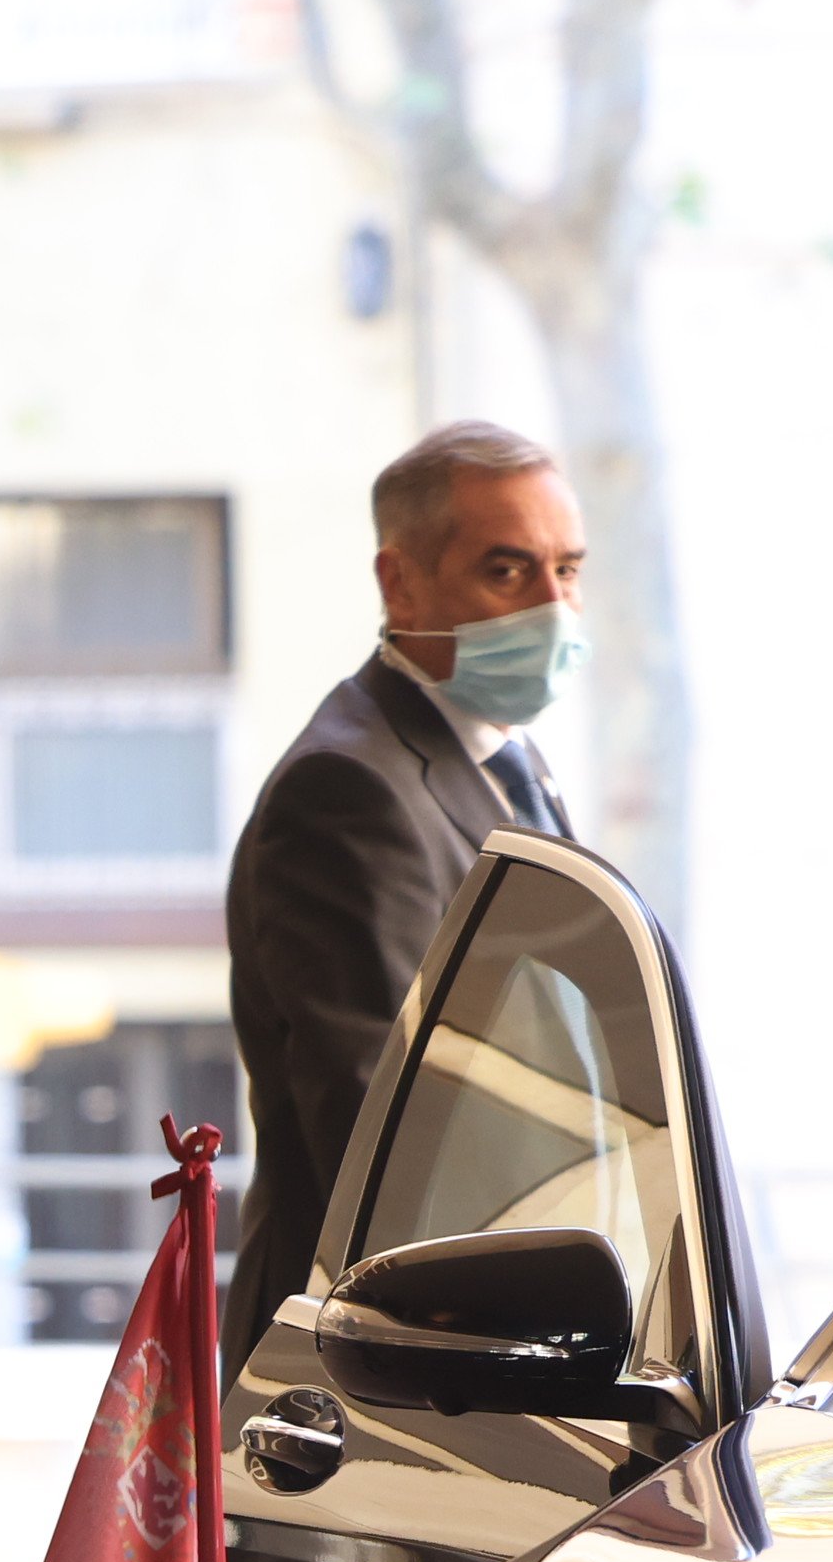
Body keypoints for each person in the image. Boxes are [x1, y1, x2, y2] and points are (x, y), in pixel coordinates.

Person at [224, 420, 592, 1353]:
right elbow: (387, 1132)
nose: (552, 606)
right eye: (508, 571)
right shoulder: (347, 791)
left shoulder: (509, 759)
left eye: (568, 570)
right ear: (401, 583)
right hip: (390, 1357)